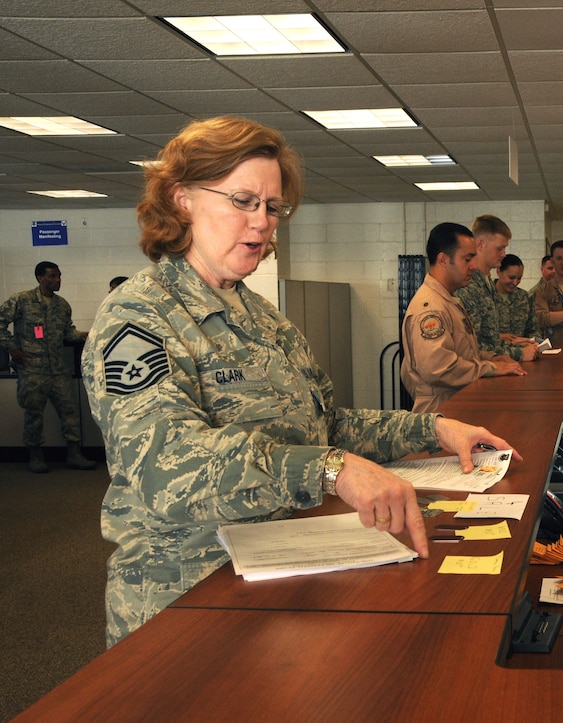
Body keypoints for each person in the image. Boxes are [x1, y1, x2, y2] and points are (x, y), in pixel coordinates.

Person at [81, 117, 521, 646]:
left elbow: (324, 425)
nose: (262, 222)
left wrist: (434, 430)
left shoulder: (260, 314)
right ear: (182, 200)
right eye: (243, 201)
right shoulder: (139, 316)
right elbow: (164, 469)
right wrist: (331, 470)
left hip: (279, 572)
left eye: (272, 207)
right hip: (187, 597)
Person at [402, 222, 526, 413]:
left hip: (458, 402)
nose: (474, 266)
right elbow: (439, 368)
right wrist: (490, 368)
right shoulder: (431, 308)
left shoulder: (450, 300)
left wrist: (495, 359)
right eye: (467, 259)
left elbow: (464, 352)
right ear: (443, 260)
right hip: (441, 411)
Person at [0, 261, 97, 473]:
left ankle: (74, 454)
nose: (57, 280)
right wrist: (12, 349)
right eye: (52, 276)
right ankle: (35, 455)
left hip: (58, 371)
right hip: (32, 369)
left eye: (59, 276)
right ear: (40, 278)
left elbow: (66, 332)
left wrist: (83, 335)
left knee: (70, 413)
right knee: (34, 414)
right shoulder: (22, 300)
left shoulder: (62, 305)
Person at [455, 215, 537, 362]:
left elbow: (490, 339)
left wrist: (516, 344)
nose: (503, 254)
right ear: (480, 244)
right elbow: (472, 346)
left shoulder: (487, 283)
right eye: (500, 248)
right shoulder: (468, 285)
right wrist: (518, 354)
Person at [494, 254, 538, 342]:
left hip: (523, 352)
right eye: (511, 277)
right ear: (499, 272)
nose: (515, 282)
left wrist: (531, 341)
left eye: (519, 278)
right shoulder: (486, 296)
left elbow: (533, 329)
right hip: (494, 353)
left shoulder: (524, 297)